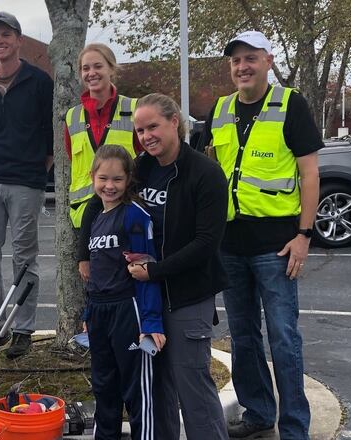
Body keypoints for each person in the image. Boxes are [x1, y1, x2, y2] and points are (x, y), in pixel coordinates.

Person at [200, 31, 322, 439]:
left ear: (268, 61)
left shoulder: (291, 104)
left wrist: (304, 234)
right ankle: (257, 413)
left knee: (284, 338)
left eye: (250, 58)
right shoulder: (220, 110)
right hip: (230, 245)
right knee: (244, 336)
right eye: (235, 61)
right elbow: (210, 168)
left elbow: (309, 174)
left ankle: (294, 428)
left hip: (277, 246)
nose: (242, 67)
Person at [129, 93, 229, 439]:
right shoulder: (139, 169)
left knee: (194, 392)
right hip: (148, 299)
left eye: (152, 126)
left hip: (188, 297)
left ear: (175, 122)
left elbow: (206, 244)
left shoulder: (206, 173)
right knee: (158, 393)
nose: (146, 136)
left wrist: (156, 270)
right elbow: (105, 207)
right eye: (140, 130)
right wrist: (85, 254)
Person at [0, 11, 53, 359]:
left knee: (24, 257)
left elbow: (51, 134)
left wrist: (37, 169)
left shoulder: (39, 81)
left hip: (25, 183)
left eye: (6, 35)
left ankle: (21, 328)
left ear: (19, 40)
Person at [85, 145, 164, 440]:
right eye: (103, 178)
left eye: (117, 179)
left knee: (135, 390)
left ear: (129, 179)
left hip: (127, 311)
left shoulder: (134, 216)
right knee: (104, 387)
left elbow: (147, 271)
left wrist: (151, 321)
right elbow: (97, 270)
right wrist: (87, 311)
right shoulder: (96, 218)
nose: (109, 186)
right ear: (93, 177)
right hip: (98, 312)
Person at [65, 43, 142, 282]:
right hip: (86, 219)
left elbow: (144, 156)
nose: (92, 73)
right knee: (96, 292)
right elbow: (73, 161)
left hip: (125, 215)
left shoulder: (134, 108)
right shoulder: (72, 117)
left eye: (98, 66)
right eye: (85, 68)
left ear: (111, 69)